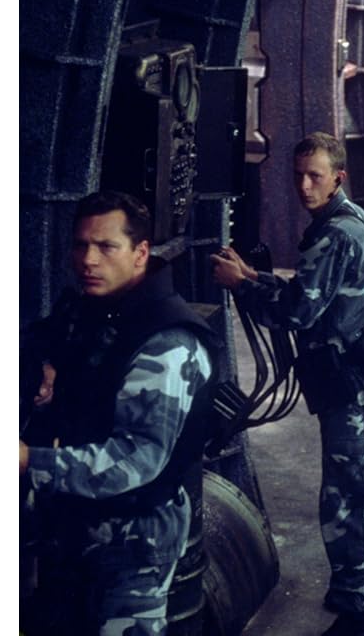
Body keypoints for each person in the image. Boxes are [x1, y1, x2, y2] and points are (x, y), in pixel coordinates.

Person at [211, 132, 364, 636]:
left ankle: (357, 613)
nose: (304, 186)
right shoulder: (350, 217)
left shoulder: (333, 234)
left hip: (349, 383)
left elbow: (297, 312)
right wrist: (256, 277)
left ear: (338, 177)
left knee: (349, 497)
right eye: (298, 175)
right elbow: (313, 291)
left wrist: (241, 286)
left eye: (315, 176)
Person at [19, 190, 218, 636]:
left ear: (140, 253)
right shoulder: (100, 308)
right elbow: (54, 339)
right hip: (76, 523)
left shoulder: (168, 343)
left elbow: (137, 459)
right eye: (81, 245)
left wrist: (30, 460)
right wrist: (48, 367)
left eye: (106, 247)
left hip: (135, 540)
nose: (88, 260)